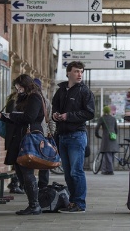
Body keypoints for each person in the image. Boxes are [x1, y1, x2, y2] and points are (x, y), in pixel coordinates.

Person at [0, 74, 46, 215]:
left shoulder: (34, 97)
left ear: (26, 85)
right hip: (19, 138)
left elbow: (29, 117)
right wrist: (3, 116)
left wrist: (10, 115)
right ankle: (33, 203)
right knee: (20, 171)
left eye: (20, 87)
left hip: (27, 138)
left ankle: (35, 205)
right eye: (17, 88)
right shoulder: (23, 98)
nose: (18, 90)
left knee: (26, 171)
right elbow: (19, 118)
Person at [51, 61, 95, 213]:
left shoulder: (85, 91)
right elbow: (55, 107)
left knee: (76, 171)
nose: (79, 74)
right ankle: (72, 202)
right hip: (62, 136)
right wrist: (55, 115)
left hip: (77, 135)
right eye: (76, 71)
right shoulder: (61, 90)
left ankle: (79, 203)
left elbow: (90, 113)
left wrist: (68, 116)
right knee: (68, 173)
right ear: (68, 73)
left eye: (81, 72)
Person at [33, 78, 56, 189]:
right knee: (43, 160)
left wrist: (50, 132)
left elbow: (51, 120)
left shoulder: (45, 102)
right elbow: (51, 120)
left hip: (40, 135)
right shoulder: (45, 101)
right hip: (40, 135)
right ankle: (41, 185)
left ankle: (41, 185)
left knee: (42, 160)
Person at [3, 88, 25, 194]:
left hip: (13, 135)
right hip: (15, 135)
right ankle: (15, 183)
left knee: (17, 160)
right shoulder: (14, 101)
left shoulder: (13, 100)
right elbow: (11, 117)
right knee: (18, 160)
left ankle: (16, 183)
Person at [95, 105, 119, 175]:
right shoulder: (113, 118)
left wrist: (97, 135)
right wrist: (114, 135)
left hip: (106, 138)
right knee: (111, 154)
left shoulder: (102, 118)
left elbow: (97, 128)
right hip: (113, 137)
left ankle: (109, 170)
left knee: (107, 154)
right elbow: (116, 129)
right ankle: (108, 169)